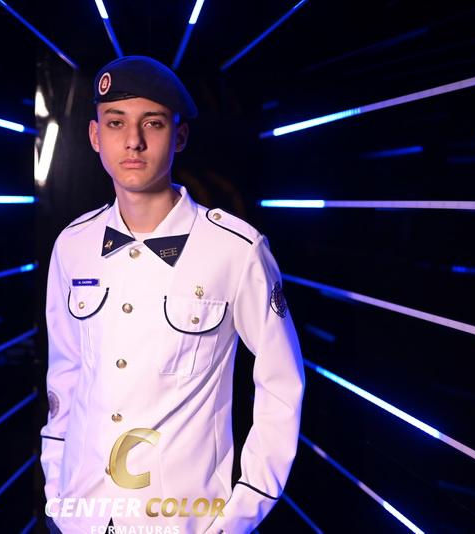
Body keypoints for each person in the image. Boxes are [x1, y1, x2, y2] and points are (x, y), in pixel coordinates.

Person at [40, 55, 305, 534]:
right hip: (82, 514)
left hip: (184, 521)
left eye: (153, 123)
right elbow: (66, 375)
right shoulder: (72, 245)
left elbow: (281, 384)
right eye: (116, 123)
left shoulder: (235, 250)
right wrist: (57, 494)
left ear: (179, 136)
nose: (133, 140)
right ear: (95, 136)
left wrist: (241, 514)